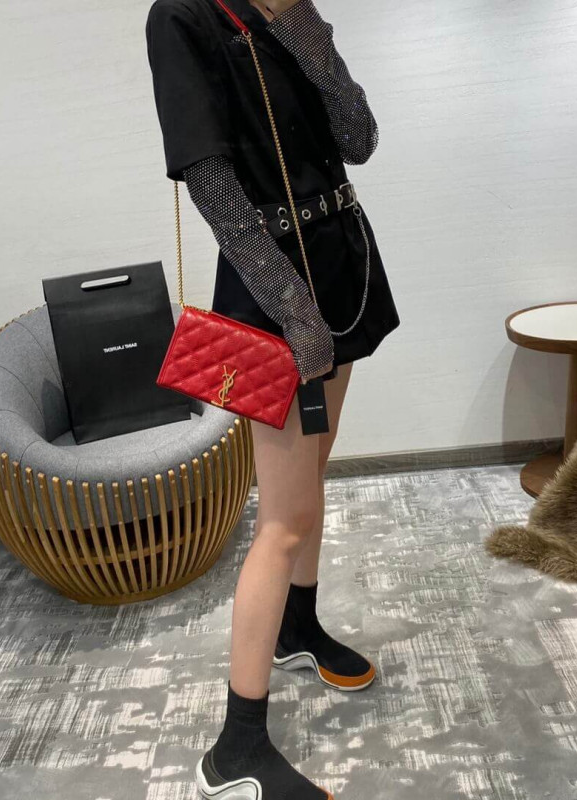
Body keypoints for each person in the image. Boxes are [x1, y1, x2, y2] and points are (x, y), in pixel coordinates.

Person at [146, 0, 401, 797]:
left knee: (310, 485)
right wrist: (293, 311)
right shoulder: (182, 16)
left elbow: (359, 138)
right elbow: (213, 186)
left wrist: (303, 28)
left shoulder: (293, 14)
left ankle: (299, 626)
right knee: (283, 520)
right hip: (275, 292)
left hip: (343, 266)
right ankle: (237, 748)